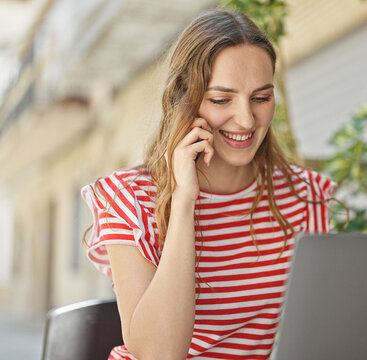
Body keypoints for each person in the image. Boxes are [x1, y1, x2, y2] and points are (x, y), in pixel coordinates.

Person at [81, 9, 336, 360]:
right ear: (186, 100)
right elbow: (158, 354)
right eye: (221, 99)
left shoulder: (305, 197)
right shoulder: (130, 200)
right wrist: (184, 200)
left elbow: (322, 334)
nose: (246, 119)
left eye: (261, 98)